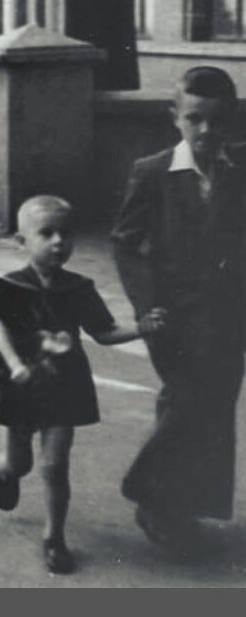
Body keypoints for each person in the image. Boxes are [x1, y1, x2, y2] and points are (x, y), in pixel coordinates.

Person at [0, 195, 165, 575]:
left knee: (54, 465)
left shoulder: (79, 288)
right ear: (22, 241)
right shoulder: (7, 287)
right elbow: (3, 333)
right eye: (46, 233)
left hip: (64, 384)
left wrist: (142, 329)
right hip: (19, 383)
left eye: (66, 233)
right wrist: (15, 366)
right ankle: (7, 473)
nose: (58, 242)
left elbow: (104, 332)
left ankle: (54, 538)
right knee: (20, 461)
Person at [112, 65, 246, 555]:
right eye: (194, 119)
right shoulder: (153, 172)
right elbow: (125, 242)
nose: (206, 130)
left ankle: (184, 506)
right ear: (175, 117)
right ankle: (150, 495)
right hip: (173, 315)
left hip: (230, 314)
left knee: (216, 406)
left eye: (217, 120)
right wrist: (147, 304)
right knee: (187, 400)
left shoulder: (240, 168)